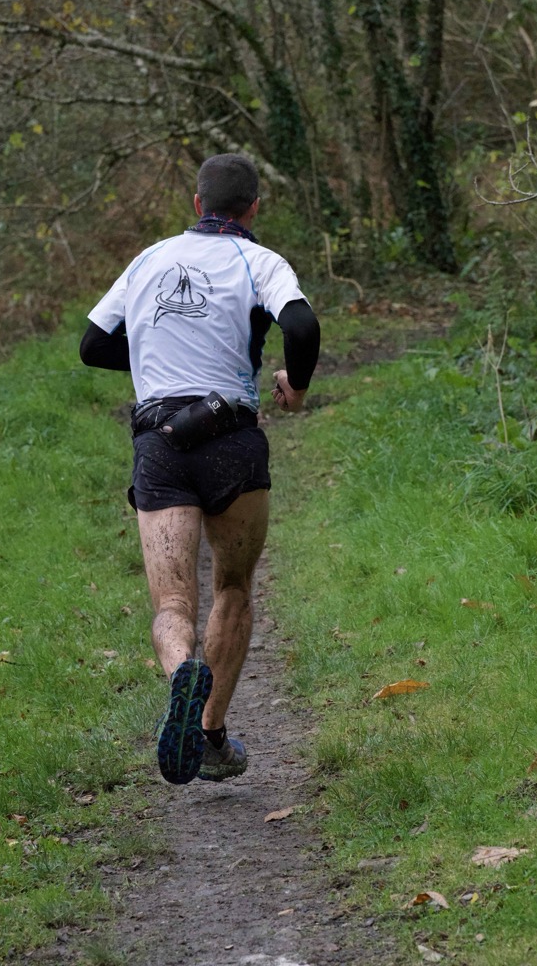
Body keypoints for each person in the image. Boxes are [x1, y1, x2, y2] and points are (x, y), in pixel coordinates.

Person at [79, 154, 319, 785]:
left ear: (196, 205)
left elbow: (93, 344)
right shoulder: (259, 260)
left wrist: (153, 354)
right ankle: (210, 734)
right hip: (231, 437)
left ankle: (181, 669)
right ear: (254, 208)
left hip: (159, 440)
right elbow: (301, 324)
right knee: (232, 588)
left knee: (172, 600)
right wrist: (295, 386)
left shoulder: (149, 259)